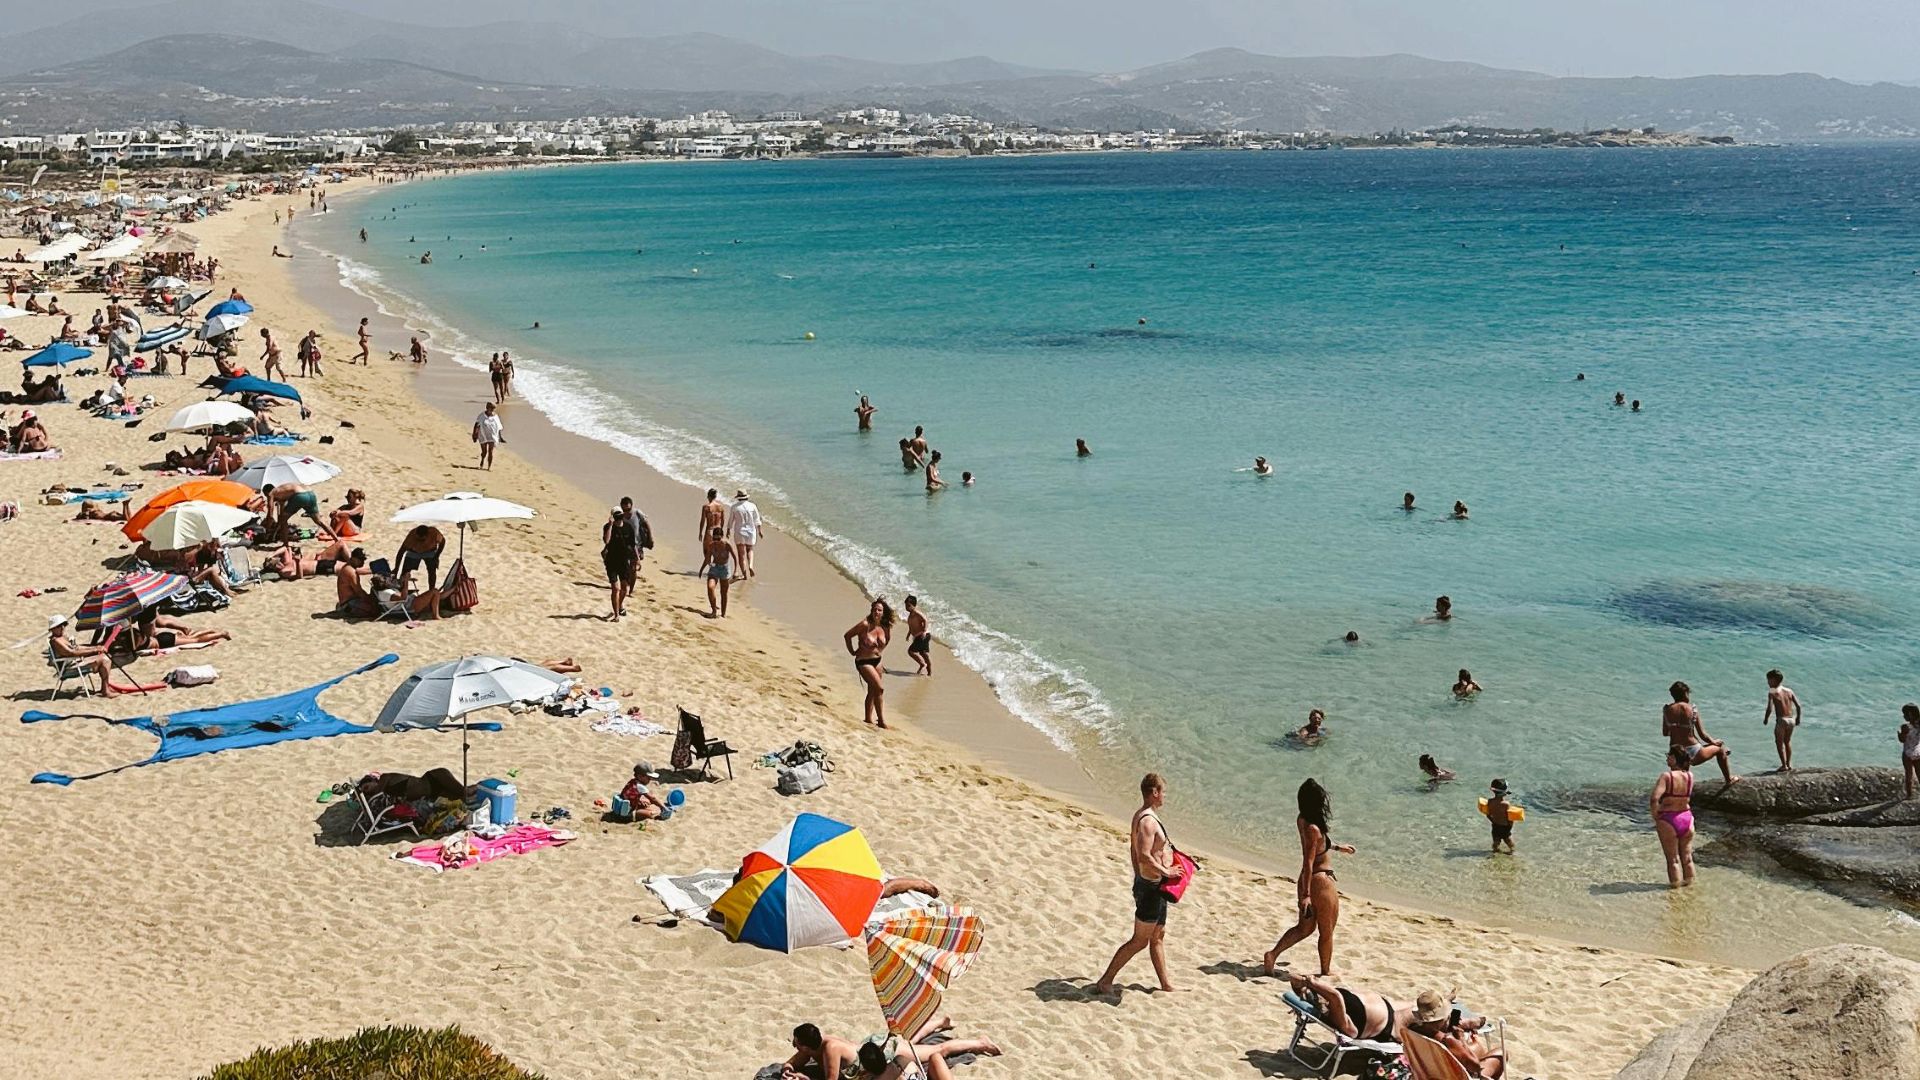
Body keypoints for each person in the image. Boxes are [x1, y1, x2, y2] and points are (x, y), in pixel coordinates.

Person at [1094, 772, 1183, 996]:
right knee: (1139, 941)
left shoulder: (1142, 816)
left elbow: (1134, 852)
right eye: (1163, 792)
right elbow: (1143, 855)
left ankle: (1165, 984)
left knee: (1158, 936)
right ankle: (1105, 980)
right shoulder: (1147, 822)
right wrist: (1166, 871)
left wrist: (1141, 876)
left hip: (1155, 885)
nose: (1165, 797)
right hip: (1151, 888)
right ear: (1154, 793)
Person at [1263, 778, 1353, 977]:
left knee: (1304, 928)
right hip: (1319, 881)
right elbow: (1308, 859)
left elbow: (1317, 846)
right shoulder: (1313, 828)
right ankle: (1326, 971)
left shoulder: (1302, 820)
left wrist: (1338, 847)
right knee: (1326, 930)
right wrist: (1306, 895)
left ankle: (1272, 954)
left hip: (1308, 879)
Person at [1287, 972, 1416, 1043]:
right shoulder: (1339, 1018)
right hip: (1390, 1026)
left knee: (1419, 1004)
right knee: (1422, 1016)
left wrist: (1306, 982)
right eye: (1316, 996)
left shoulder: (1333, 1002)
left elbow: (1292, 976)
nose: (1320, 997)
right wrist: (1313, 983)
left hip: (1388, 1006)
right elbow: (1335, 996)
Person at [1407, 990, 1507, 1079]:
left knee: (1476, 1049)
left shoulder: (1412, 1030)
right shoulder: (1447, 1041)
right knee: (1501, 1052)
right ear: (1441, 1018)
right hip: (1454, 1076)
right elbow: (1475, 1066)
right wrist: (1461, 1038)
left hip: (1427, 1073)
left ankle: (1469, 1023)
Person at [1663, 680, 1739, 786]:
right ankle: (1729, 780)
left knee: (1680, 777)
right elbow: (1703, 735)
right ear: (1685, 693)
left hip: (1675, 752)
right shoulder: (1692, 709)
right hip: (1693, 750)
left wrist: (1677, 729)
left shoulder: (1667, 710)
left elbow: (1665, 732)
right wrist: (1715, 742)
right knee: (1720, 750)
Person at [852, 1033, 1002, 1080]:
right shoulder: (900, 1061)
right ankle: (980, 1042)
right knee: (937, 1054)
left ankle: (980, 1043)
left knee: (939, 1051)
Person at [1650, 748, 1697, 887]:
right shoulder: (1690, 776)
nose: (1667, 758)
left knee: (1673, 860)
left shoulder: (1667, 776)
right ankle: (1690, 889)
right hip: (1687, 818)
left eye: (1669, 755)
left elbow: (1654, 799)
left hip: (1669, 819)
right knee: (1687, 859)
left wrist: (1655, 815)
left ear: (1675, 758)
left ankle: (1675, 894)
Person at [844, 599, 893, 727]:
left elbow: (886, 640)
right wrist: (853, 651)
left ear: (883, 613)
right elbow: (847, 636)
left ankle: (868, 719)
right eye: (874, 609)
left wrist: (878, 651)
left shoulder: (885, 626)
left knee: (873, 690)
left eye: (879, 610)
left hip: (877, 661)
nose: (876, 612)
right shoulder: (865, 625)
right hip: (863, 661)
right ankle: (881, 721)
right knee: (880, 689)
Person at [47, 615, 118, 696]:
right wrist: (94, 650)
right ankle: (105, 690)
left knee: (104, 656)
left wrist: (95, 648)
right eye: (59, 626)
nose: (62, 627)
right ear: (52, 629)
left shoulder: (62, 637)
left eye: (64, 624)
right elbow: (71, 652)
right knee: (105, 659)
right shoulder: (56, 641)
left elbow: (77, 647)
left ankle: (105, 688)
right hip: (69, 668)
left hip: (75, 662)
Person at [782, 1024, 861, 1080]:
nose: (795, 1046)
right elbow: (791, 1063)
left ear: (805, 1048)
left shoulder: (831, 1049)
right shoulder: (812, 1044)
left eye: (796, 1044)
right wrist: (787, 1072)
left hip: (860, 1067)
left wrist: (805, 1078)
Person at [263, 482, 332, 542]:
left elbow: (271, 515)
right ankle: (335, 538)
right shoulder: (282, 494)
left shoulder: (271, 494)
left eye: (266, 495)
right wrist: (275, 531)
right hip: (309, 493)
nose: (267, 498)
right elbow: (281, 514)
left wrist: (268, 531)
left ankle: (286, 545)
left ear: (267, 492)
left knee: (285, 526)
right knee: (318, 521)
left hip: (300, 497)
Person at [1762, 668, 1801, 772]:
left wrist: (1766, 719)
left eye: (1769, 680)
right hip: (1791, 719)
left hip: (1781, 720)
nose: (1768, 682)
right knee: (1787, 742)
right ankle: (1789, 764)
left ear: (1774, 680)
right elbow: (1798, 706)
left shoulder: (1772, 691)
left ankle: (1784, 765)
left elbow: (1770, 708)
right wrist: (1798, 718)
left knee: (1779, 743)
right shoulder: (1789, 691)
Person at [601, 506, 637, 621]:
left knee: (624, 589)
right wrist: (611, 525)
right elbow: (606, 540)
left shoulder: (628, 527)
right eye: (616, 515)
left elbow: (633, 545)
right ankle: (616, 615)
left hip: (623, 561)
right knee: (615, 588)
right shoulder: (608, 527)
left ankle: (619, 605)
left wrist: (636, 559)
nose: (619, 518)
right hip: (611, 562)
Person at [395, 525, 446, 593]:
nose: (420, 542)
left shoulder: (434, 533)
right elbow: (401, 552)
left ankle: (431, 591)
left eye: (422, 540)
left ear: (427, 535)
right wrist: (396, 569)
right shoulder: (411, 536)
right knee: (405, 572)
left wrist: (436, 556)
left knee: (432, 571)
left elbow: (443, 542)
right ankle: (402, 589)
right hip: (414, 552)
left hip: (430, 552)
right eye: (418, 539)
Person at [334, 548, 380, 618]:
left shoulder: (348, 567)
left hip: (350, 600)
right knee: (375, 610)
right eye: (360, 559)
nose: (362, 562)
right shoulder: (351, 572)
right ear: (353, 558)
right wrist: (371, 601)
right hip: (348, 604)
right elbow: (359, 592)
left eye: (363, 560)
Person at [726, 489, 761, 579]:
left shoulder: (734, 507)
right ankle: (750, 566)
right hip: (750, 531)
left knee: (741, 554)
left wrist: (728, 530)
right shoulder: (752, 506)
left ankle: (744, 575)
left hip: (739, 532)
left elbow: (731, 520)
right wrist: (760, 531)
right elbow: (757, 520)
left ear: (738, 498)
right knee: (750, 550)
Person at [703, 527, 733, 618]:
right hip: (715, 568)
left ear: (722, 537)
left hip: (725, 569)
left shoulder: (727, 544)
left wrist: (735, 571)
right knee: (710, 587)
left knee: (724, 593)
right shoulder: (711, 545)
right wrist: (704, 568)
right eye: (714, 538)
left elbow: (735, 557)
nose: (716, 540)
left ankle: (723, 614)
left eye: (718, 538)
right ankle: (714, 610)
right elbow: (707, 558)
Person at [696, 488, 725, 576]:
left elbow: (702, 521)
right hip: (718, 531)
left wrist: (700, 532)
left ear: (708, 496)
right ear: (715, 496)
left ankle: (712, 567)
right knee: (717, 551)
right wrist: (721, 531)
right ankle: (717, 568)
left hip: (710, 530)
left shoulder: (706, 507)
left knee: (706, 551)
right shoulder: (721, 507)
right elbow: (723, 520)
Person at [1486, 778, 1517, 853]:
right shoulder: (1506, 804)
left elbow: (1488, 814)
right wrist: (1510, 826)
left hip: (1495, 825)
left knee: (1496, 841)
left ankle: (1495, 850)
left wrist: (1492, 821)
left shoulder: (1490, 802)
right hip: (1505, 827)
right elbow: (1510, 818)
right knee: (1508, 840)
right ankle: (1512, 851)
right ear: (1504, 792)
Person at [904, 594, 931, 676]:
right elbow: (911, 626)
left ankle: (923, 664)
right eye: (906, 605)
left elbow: (925, 620)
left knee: (911, 651)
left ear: (914, 605)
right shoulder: (910, 615)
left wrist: (924, 631)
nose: (907, 607)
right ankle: (929, 672)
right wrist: (909, 634)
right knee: (923, 653)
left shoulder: (916, 612)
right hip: (918, 636)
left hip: (922, 635)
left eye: (909, 606)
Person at [472, 401, 504, 469]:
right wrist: (474, 435)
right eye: (491, 408)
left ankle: (489, 466)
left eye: (493, 409)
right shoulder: (481, 416)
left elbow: (499, 427)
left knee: (491, 451)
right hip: (483, 435)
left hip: (492, 436)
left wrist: (500, 437)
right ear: (487, 408)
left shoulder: (495, 417)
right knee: (484, 452)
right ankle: (482, 460)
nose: (492, 410)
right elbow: (476, 425)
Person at [1899, 704, 1920, 800]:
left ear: (1910, 714)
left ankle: (1909, 795)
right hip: (1918, 752)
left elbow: (1903, 740)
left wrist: (1900, 736)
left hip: (1907, 753)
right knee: (1919, 773)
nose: (1904, 716)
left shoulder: (1905, 727)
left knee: (1909, 774)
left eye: (1905, 714)